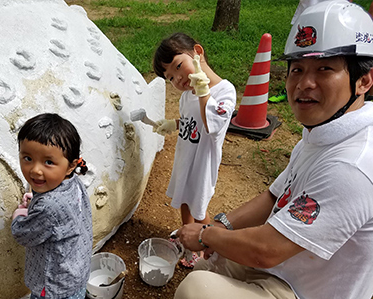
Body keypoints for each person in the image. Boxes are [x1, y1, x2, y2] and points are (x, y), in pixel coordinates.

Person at [174, 1, 373, 299]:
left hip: (303, 289)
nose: (304, 83)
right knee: (211, 263)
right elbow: (273, 196)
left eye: (324, 69)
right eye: (297, 69)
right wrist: (220, 225)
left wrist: (205, 233)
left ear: (363, 81)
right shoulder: (322, 134)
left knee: (196, 288)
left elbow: (267, 251)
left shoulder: (352, 165)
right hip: (284, 267)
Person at [152, 32, 237, 267]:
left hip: (202, 163)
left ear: (197, 52)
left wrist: (203, 90)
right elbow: (190, 121)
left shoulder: (224, 91)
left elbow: (212, 125)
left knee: (199, 209)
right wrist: (173, 124)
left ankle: (210, 249)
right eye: (170, 77)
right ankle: (188, 243)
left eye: (178, 66)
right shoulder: (187, 95)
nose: (177, 79)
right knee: (185, 201)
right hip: (185, 157)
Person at [11, 113, 92, 299]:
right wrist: (36, 200)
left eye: (48, 162)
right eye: (27, 158)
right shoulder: (74, 182)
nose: (35, 169)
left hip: (53, 287)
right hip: (75, 274)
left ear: (70, 166)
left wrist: (20, 213)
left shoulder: (49, 207)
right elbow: (60, 211)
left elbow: (23, 234)